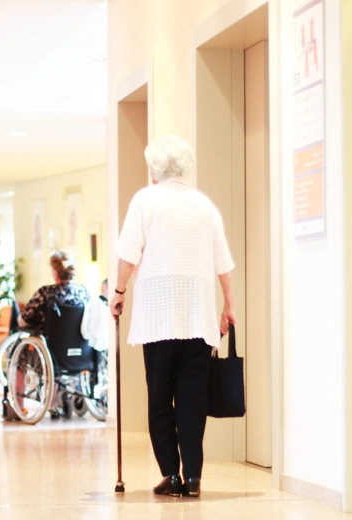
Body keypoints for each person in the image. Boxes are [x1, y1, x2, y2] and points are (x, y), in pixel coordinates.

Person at [110, 134, 236, 499]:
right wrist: (229, 305)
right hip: (198, 318)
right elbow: (223, 263)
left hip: (158, 319)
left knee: (160, 398)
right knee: (193, 399)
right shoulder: (204, 206)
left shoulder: (145, 201)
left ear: (155, 170)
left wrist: (118, 293)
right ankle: (194, 477)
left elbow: (128, 255)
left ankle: (171, 475)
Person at [18, 250, 89, 331]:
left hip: (50, 342)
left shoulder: (44, 292)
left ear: (55, 273)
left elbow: (23, 320)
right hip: (78, 342)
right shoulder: (82, 292)